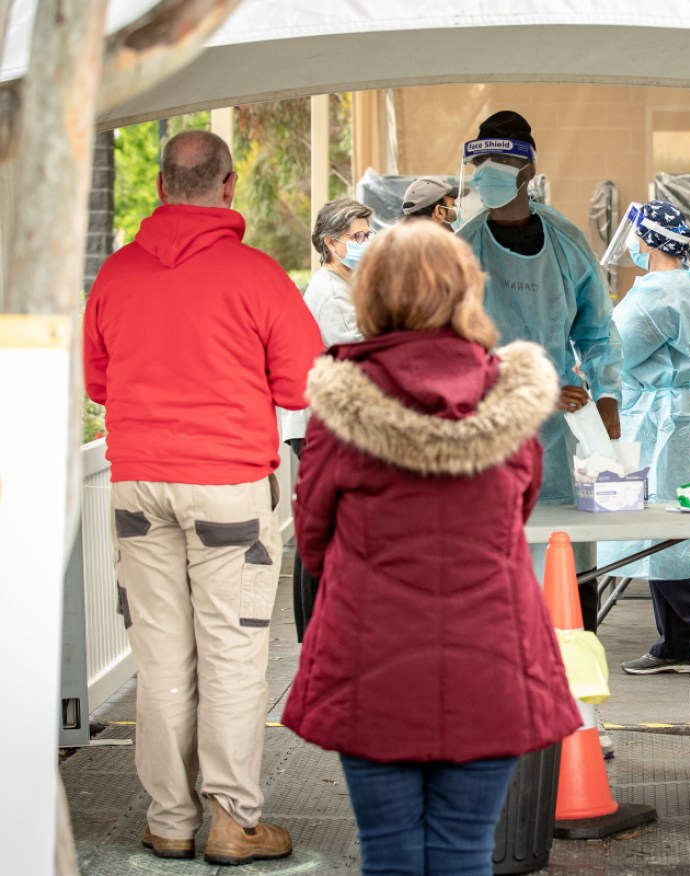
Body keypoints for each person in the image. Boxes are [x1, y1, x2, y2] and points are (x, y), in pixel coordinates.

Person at [281, 222, 580, 876]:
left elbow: (312, 539)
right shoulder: (510, 398)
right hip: (492, 658)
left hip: (370, 656)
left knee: (388, 854)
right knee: (465, 852)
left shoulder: (339, 400)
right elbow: (519, 506)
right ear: (465, 292)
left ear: (371, 294)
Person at [83, 130, 321, 865]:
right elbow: (300, 384)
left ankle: (169, 821)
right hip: (226, 491)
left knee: (160, 657)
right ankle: (232, 820)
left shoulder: (116, 276)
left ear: (159, 187)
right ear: (228, 187)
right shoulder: (256, 277)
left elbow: (98, 383)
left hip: (135, 485)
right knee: (232, 654)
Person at [456, 110, 622, 629]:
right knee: (495, 575)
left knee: (563, 570)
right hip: (488, 430)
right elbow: (450, 354)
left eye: (502, 160)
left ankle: (570, 688)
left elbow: (597, 331)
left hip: (558, 434)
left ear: (528, 171)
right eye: (480, 160)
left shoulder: (566, 242)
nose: (488, 171)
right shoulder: (461, 249)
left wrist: (609, 399)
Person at [595, 201, 690, 676]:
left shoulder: (653, 294)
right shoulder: (683, 282)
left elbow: (614, 351)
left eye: (638, 238)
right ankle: (676, 645)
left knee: (655, 527)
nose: (633, 246)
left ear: (648, 240)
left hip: (660, 419)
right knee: (668, 523)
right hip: (678, 415)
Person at [279, 196, 374, 641]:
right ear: (331, 243)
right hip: (322, 425)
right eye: (357, 237)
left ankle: (328, 624)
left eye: (367, 234)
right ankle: (317, 627)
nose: (365, 243)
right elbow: (356, 349)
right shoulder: (329, 290)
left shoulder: (349, 283)